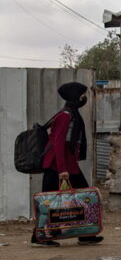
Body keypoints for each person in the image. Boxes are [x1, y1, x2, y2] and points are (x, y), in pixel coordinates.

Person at [32, 82, 103, 247]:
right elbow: (58, 143)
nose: (83, 98)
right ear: (74, 96)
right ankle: (39, 236)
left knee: (85, 197)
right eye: (81, 95)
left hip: (69, 165)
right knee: (47, 201)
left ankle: (87, 233)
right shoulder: (65, 115)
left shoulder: (72, 114)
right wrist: (62, 170)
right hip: (56, 165)